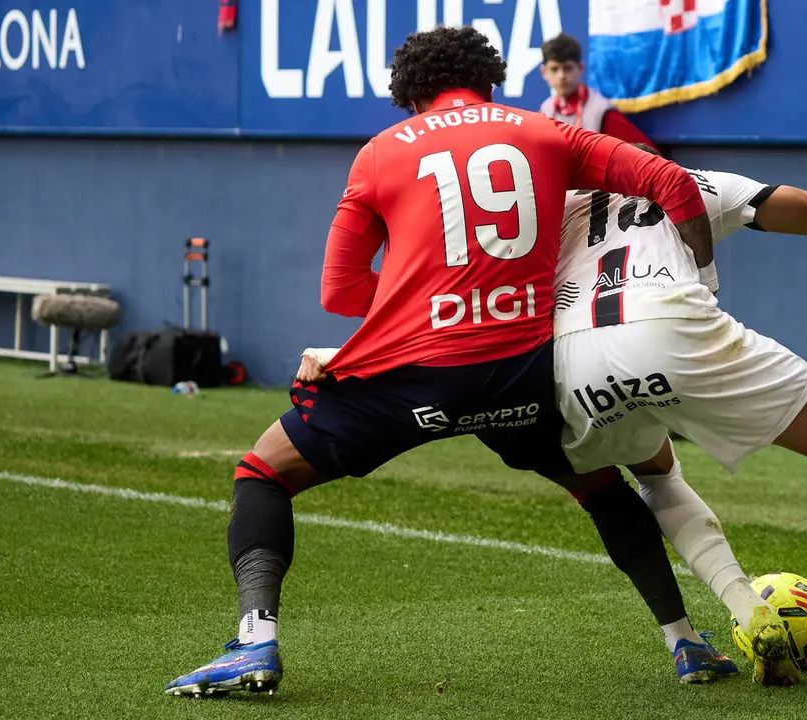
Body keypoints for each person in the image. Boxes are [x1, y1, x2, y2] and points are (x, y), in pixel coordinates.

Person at [165, 27, 725, 698]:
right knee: (601, 485)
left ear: (410, 95)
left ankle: (255, 643)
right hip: (525, 372)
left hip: (416, 379)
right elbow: (669, 181)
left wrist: (427, 309)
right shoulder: (546, 131)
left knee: (262, 473)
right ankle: (686, 642)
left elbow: (339, 291)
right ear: (489, 80)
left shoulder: (380, 153)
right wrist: (704, 283)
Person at [299, 153, 807, 699]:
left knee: (655, 472)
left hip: (572, 364)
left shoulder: (540, 214)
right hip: (672, 326)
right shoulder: (694, 183)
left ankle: (748, 612)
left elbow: (449, 300)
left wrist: (351, 356)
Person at [539, 33, 656, 150]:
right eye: (554, 69)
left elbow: (649, 155)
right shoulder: (545, 110)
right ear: (544, 72)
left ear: (581, 68)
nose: (561, 76)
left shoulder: (601, 112)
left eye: (568, 68)